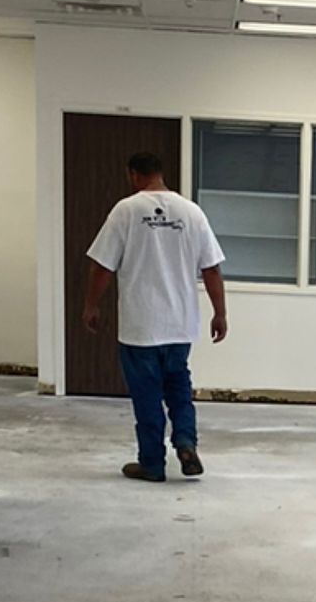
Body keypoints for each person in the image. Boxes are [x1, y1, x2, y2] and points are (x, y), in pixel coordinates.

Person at [82, 151, 228, 482]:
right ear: (161, 174)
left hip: (140, 326)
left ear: (134, 175)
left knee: (147, 394)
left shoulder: (126, 211)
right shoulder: (192, 213)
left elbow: (102, 266)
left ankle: (152, 463)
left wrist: (91, 304)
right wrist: (220, 313)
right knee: (178, 387)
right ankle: (186, 443)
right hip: (180, 325)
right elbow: (212, 269)